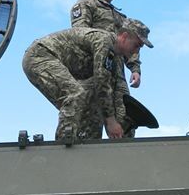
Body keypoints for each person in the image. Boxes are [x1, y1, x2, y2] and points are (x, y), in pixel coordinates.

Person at [23, 18, 153, 141]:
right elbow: (101, 83)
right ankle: (63, 145)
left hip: (51, 60)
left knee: (91, 96)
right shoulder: (105, 41)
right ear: (124, 37)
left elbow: (102, 89)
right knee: (75, 94)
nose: (136, 51)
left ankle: (87, 143)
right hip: (40, 57)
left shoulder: (112, 54)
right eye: (136, 45)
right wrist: (111, 121)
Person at [70, 0, 143, 89]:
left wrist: (135, 70)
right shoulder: (86, 4)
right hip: (92, 71)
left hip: (118, 77)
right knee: (90, 106)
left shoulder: (121, 18)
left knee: (122, 107)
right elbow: (80, 35)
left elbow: (130, 46)